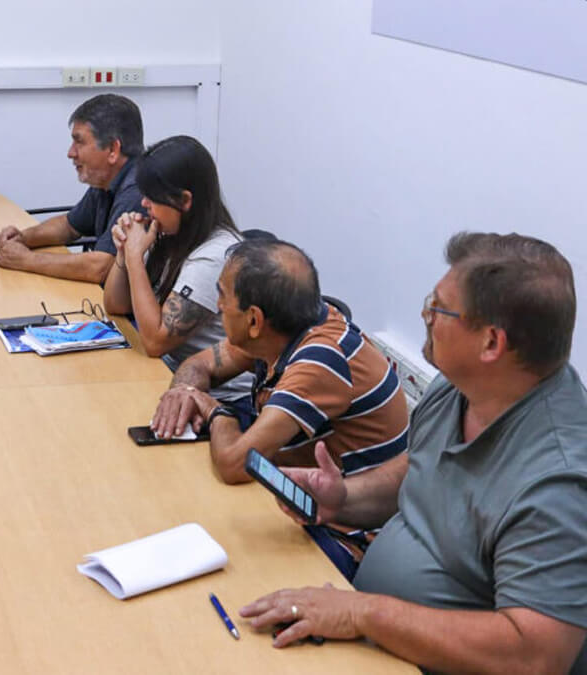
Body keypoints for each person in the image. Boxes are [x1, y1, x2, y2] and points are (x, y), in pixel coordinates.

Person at [240, 233, 587, 674]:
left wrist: (362, 613)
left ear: (491, 344)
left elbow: (533, 656)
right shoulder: (461, 387)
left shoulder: (558, 482)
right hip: (378, 638)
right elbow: (421, 471)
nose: (425, 315)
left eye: (439, 308)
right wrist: (342, 498)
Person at [149, 238, 408, 485]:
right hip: (292, 483)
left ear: (254, 320)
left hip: (334, 513)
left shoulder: (320, 361)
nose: (219, 305)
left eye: (223, 296)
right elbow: (199, 365)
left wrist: (218, 412)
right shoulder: (281, 328)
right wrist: (184, 392)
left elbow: (235, 464)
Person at [102, 135, 251, 401]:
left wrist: (135, 257)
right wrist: (124, 252)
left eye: (152, 197)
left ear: (184, 200)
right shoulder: (170, 234)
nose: (144, 204)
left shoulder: (215, 257)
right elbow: (115, 305)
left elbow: (154, 342)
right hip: (169, 375)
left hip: (220, 400)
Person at [0, 94, 146, 284]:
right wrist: (22, 238)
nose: (70, 153)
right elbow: (69, 226)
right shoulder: (106, 179)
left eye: (79, 142)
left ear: (112, 150)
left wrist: (26, 260)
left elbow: (101, 267)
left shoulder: (138, 190)